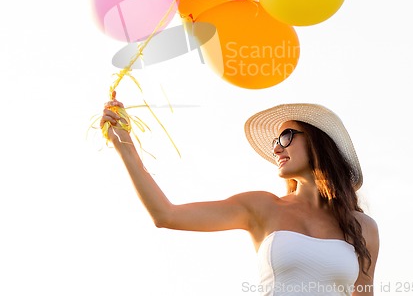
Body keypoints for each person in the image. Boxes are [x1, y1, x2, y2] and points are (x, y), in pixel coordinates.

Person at [101, 100, 379, 295]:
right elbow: (166, 215)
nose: (277, 149)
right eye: (274, 143)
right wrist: (124, 145)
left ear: (318, 141)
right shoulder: (262, 206)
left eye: (286, 137)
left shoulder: (363, 228)